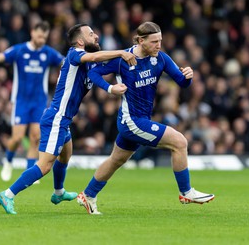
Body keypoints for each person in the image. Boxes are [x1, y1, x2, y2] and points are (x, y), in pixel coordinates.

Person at [0, 23, 137, 214]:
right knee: (44, 165)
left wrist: (110, 88)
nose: (96, 36)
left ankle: (59, 192)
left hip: (64, 119)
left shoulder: (87, 63)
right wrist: (121, 52)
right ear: (80, 41)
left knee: (66, 154)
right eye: (91, 33)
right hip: (56, 117)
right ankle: (8, 194)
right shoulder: (74, 54)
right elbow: (95, 56)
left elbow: (96, 70)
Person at [77, 22, 215, 215]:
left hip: (138, 120)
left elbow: (182, 83)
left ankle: (88, 194)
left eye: (160, 40)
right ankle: (186, 192)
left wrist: (189, 76)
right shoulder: (123, 58)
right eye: (154, 41)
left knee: (116, 160)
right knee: (180, 142)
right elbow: (93, 72)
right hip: (132, 121)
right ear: (141, 41)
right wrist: (110, 88)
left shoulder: (161, 58)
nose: (159, 45)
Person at [0, 21, 64, 182]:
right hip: (21, 102)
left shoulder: (48, 53)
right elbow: (0, 57)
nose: (41, 40)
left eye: (44, 38)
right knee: (17, 138)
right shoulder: (19, 50)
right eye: (39, 36)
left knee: (35, 137)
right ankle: (8, 160)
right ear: (32, 33)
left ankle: (30, 171)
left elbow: (65, 61)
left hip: (39, 102)